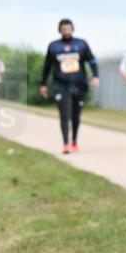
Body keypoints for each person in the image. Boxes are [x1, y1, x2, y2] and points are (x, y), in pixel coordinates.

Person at [40, 19, 99, 154]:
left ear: (73, 29)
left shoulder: (82, 44)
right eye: (63, 29)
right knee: (64, 115)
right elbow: (47, 66)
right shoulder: (54, 46)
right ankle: (66, 144)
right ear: (60, 30)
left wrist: (95, 76)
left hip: (79, 85)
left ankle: (74, 141)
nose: (66, 31)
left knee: (76, 116)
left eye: (68, 28)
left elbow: (92, 61)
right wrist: (43, 84)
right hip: (61, 85)